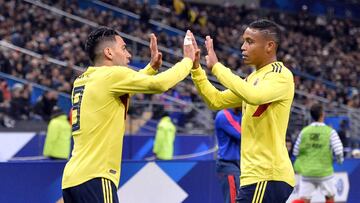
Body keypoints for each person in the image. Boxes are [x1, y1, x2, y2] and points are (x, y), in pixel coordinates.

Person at [61, 27, 196, 203]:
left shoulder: (83, 80)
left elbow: (123, 87)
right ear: (109, 52)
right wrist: (187, 61)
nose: (129, 54)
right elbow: (159, 85)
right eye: (124, 48)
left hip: (72, 180)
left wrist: (151, 68)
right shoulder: (112, 75)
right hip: (96, 176)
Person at [189, 19, 295, 202]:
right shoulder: (252, 78)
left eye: (250, 41)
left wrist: (217, 67)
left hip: (267, 174)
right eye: (244, 41)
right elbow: (216, 100)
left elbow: (255, 96)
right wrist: (197, 69)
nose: (243, 47)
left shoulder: (280, 75)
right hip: (256, 176)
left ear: (269, 46)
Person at [292, 103, 344, 203]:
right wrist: (340, 160)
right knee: (330, 197)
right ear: (322, 114)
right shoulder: (330, 131)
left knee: (304, 199)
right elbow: (338, 150)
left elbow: (295, 151)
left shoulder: (304, 131)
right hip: (324, 172)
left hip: (307, 172)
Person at [215, 108, 241, 203]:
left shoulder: (240, 114)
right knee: (232, 200)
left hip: (239, 163)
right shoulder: (224, 115)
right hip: (228, 164)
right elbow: (241, 133)